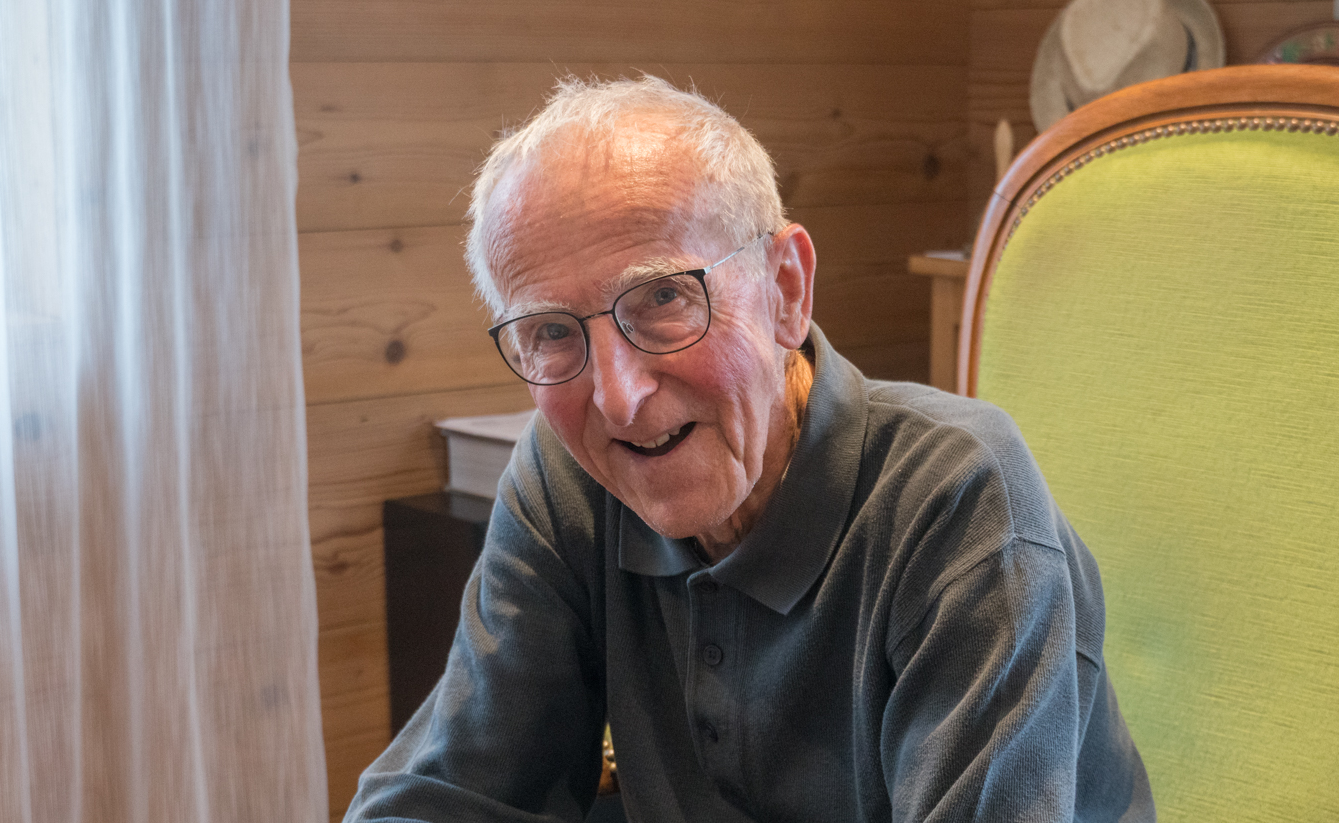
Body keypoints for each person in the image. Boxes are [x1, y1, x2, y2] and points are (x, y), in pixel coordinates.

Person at [344, 75, 1154, 823]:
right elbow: (443, 791)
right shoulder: (570, 476)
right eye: (551, 332)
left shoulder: (960, 503)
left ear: (786, 290)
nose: (618, 397)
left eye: (663, 297)